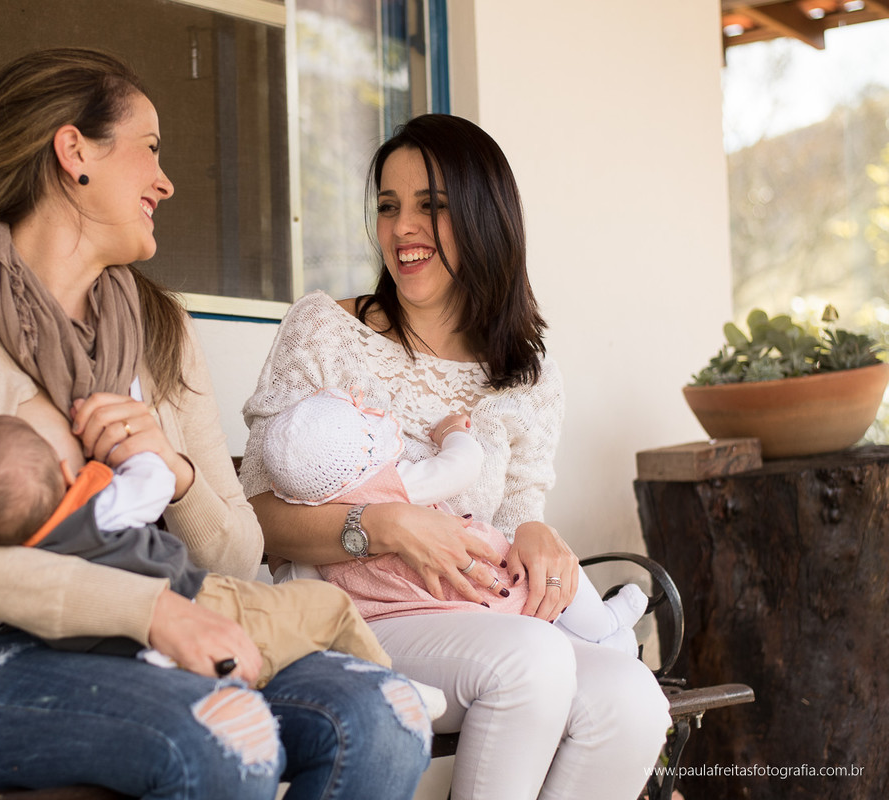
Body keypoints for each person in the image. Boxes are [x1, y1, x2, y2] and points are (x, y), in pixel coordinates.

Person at [0, 47, 431, 800]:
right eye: (151, 148)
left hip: (148, 640)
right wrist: (151, 612)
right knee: (223, 733)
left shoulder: (160, 327)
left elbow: (238, 554)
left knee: (386, 715)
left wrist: (176, 472)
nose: (165, 181)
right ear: (75, 152)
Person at [240, 114, 672, 800]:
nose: (402, 228)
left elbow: (517, 511)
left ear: (483, 217)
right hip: (356, 618)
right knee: (532, 662)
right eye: (389, 206)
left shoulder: (527, 373)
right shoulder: (325, 330)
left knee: (632, 699)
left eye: (431, 206)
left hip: (485, 616)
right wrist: (382, 526)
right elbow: (256, 520)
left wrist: (536, 533)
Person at [0, 413, 399, 692]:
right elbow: (153, 483)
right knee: (330, 606)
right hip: (208, 607)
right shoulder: (99, 507)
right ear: (61, 468)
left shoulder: (10, 568)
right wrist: (143, 450)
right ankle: (391, 685)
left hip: (134, 655)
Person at [262, 388, 648, 655]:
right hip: (486, 581)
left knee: (544, 630)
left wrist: (283, 569)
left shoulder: (317, 514)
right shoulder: (393, 483)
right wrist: (452, 434)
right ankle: (606, 626)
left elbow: (300, 584)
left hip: (450, 618)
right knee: (553, 594)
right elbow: (462, 466)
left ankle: (605, 646)